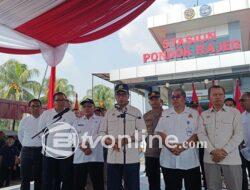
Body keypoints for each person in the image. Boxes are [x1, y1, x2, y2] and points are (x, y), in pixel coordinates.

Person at [99, 83, 146, 190]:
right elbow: (101, 132)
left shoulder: (135, 112)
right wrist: (110, 141)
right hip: (113, 158)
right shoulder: (109, 113)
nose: (121, 97)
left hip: (131, 159)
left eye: (123, 94)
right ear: (115, 96)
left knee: (132, 187)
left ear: (128, 96)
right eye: (118, 94)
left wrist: (127, 139)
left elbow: (143, 132)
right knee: (113, 187)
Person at [198, 85, 243, 190]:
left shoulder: (234, 113)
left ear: (224, 96)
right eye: (214, 94)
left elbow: (239, 134)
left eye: (220, 94)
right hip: (210, 158)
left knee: (235, 187)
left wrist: (224, 151)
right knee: (212, 187)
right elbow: (201, 135)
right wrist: (213, 151)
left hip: (231, 159)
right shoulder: (204, 115)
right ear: (210, 97)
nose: (218, 97)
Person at [155, 88, 201, 190]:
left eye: (178, 96)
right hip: (169, 160)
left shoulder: (194, 113)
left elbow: (197, 134)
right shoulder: (165, 113)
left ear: (184, 98)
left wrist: (182, 147)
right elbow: (160, 132)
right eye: (173, 97)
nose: (175, 99)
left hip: (189, 160)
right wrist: (172, 147)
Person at [38, 92, 76, 190]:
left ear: (65, 101)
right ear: (54, 102)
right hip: (49, 153)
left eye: (63, 100)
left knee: (66, 179)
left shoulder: (71, 115)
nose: (60, 102)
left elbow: (74, 133)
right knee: (48, 179)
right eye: (58, 100)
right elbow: (40, 131)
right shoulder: (46, 114)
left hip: (65, 153)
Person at [73, 98, 104, 190]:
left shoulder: (101, 120)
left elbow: (101, 134)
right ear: (82, 108)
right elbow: (74, 136)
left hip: (96, 157)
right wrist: (84, 147)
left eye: (89, 106)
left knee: (98, 184)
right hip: (80, 158)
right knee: (78, 185)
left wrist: (88, 144)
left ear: (94, 108)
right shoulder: (77, 121)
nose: (87, 108)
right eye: (84, 106)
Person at [18, 99, 43, 190]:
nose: (35, 108)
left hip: (40, 151)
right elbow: (20, 136)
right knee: (25, 177)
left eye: (37, 106)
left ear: (41, 108)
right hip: (26, 151)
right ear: (29, 108)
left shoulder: (44, 120)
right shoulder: (24, 121)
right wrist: (27, 144)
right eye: (33, 106)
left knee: (39, 177)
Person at [143, 91, 163, 190]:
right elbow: (141, 132)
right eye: (151, 99)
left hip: (166, 151)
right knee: (153, 182)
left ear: (161, 100)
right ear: (149, 102)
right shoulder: (145, 116)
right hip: (150, 153)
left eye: (156, 98)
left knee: (171, 181)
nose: (154, 101)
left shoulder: (168, 114)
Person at [240, 92, 250, 190]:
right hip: (244, 153)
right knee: (243, 178)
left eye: (243, 100)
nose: (241, 103)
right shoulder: (241, 116)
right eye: (240, 101)